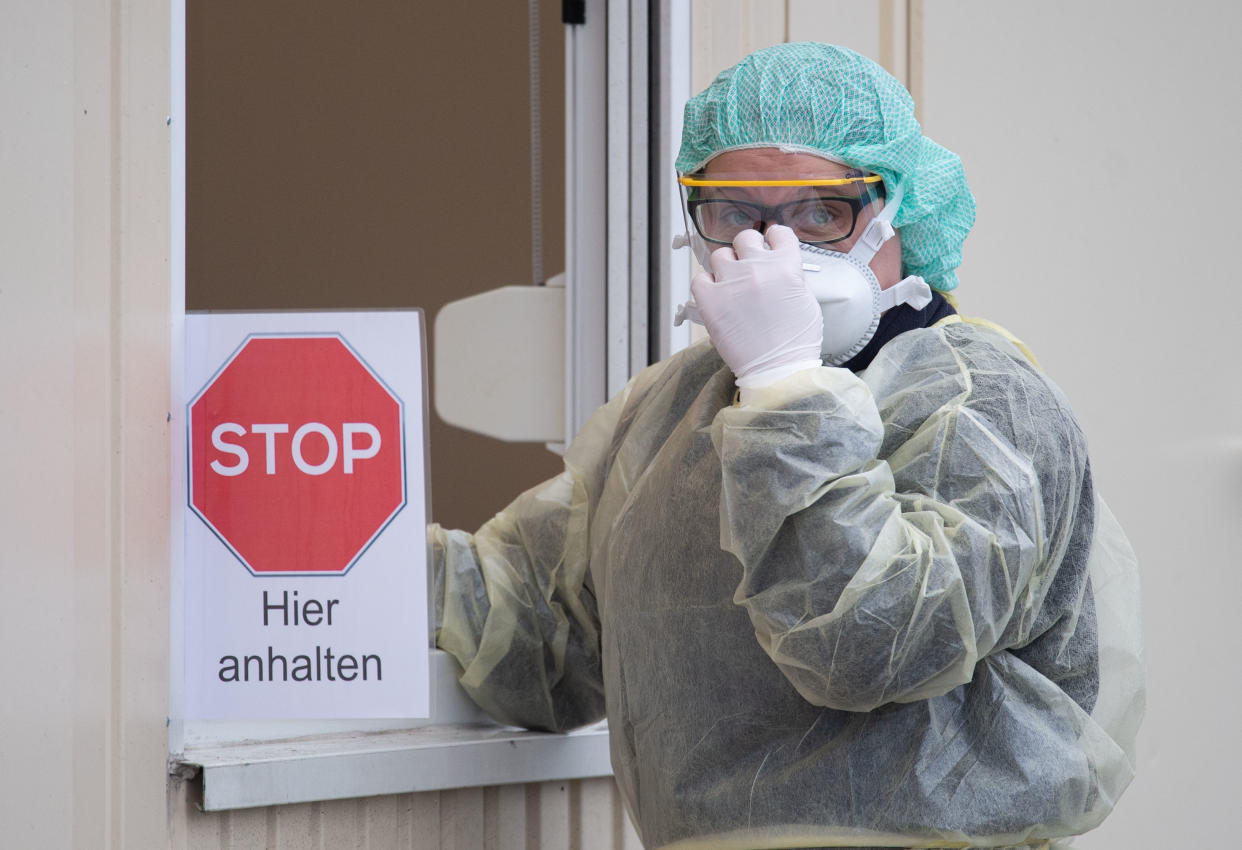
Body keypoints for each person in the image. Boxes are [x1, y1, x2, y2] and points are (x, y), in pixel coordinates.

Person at [430, 43, 1144, 850]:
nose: (776, 247)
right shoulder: (674, 410)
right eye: (734, 213)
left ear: (900, 212)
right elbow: (543, 634)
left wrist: (782, 385)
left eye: (822, 214)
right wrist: (341, 559)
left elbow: (871, 647)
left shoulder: (985, 407)